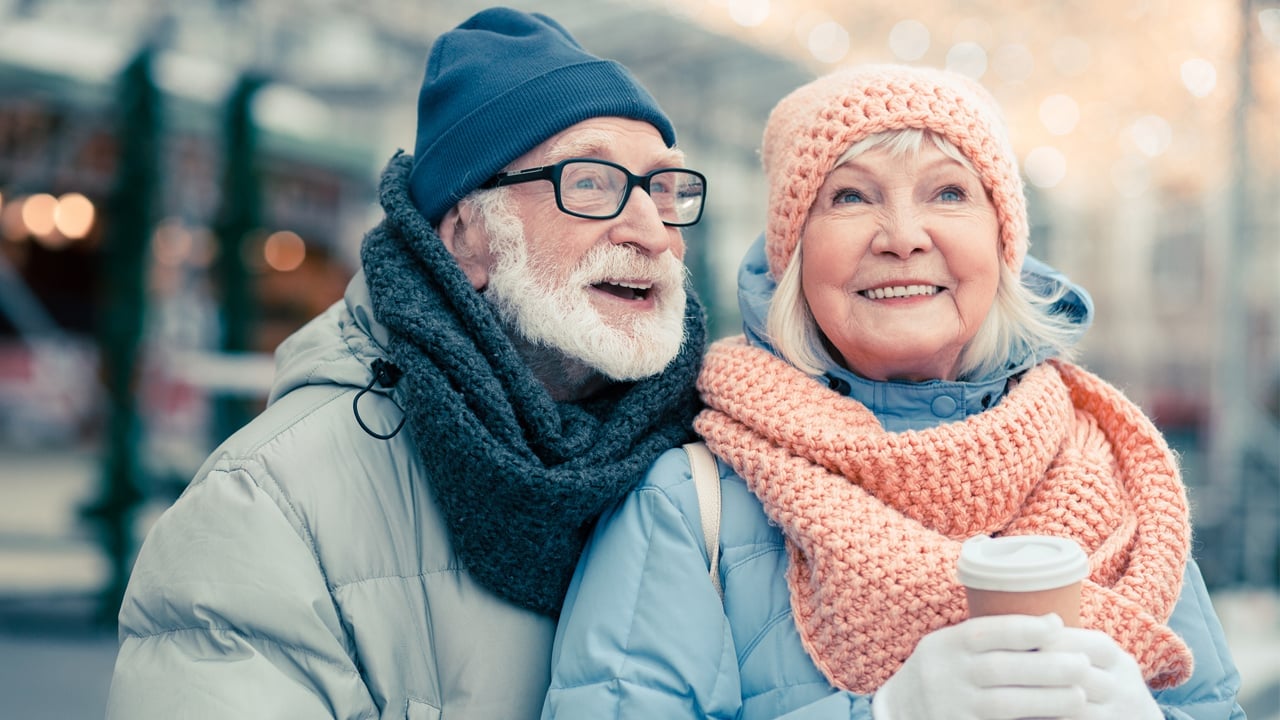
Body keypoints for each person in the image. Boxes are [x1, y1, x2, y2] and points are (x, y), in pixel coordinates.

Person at [541, 63, 1245, 719]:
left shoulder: (1117, 478)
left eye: (949, 192)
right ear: (794, 255)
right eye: (850, 195)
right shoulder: (691, 505)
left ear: (1004, 248)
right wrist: (886, 712)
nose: (904, 237)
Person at [105, 7, 708, 719]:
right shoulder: (266, 509)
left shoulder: (720, 469)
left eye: (665, 190)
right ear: (466, 237)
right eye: (591, 183)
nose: (651, 232)